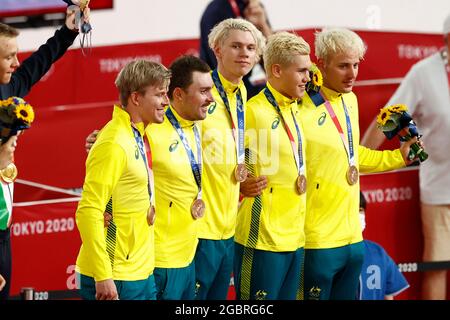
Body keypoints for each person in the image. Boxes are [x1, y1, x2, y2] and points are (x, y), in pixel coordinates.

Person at [300, 27, 419, 300]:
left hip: (352, 239)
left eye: (355, 64)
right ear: (322, 64)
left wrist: (399, 156)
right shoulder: (300, 106)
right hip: (317, 238)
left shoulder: (350, 100)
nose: (352, 73)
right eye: (343, 66)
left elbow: (353, 157)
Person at [361, 13, 450, 300]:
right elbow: (392, 114)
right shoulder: (425, 72)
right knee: (437, 267)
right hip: (440, 192)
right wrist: (362, 159)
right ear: (447, 40)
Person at [0, 6, 85, 300]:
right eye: (9, 56)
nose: (16, 62)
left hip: (3, 229)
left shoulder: (9, 87)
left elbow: (38, 62)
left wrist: (69, 31)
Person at [75, 59, 171, 300]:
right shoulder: (114, 142)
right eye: (160, 94)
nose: (166, 101)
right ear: (136, 98)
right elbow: (88, 211)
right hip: (115, 274)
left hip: (140, 270)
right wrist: (103, 275)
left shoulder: (137, 133)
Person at [234, 31, 311, 300]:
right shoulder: (253, 111)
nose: (307, 78)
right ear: (276, 70)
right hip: (261, 238)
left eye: (308, 71)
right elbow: (213, 152)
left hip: (296, 238)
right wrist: (239, 182)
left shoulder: (298, 109)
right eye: (301, 71)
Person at [195, 18, 265, 300]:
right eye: (235, 46)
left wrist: (243, 180)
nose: (244, 53)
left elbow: (229, 149)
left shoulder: (241, 93)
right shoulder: (198, 90)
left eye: (250, 47)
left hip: (228, 227)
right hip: (199, 227)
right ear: (217, 49)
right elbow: (158, 121)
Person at [200, 0, 272, 98]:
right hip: (217, 86)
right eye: (236, 46)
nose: (246, 53)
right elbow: (222, 67)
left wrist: (263, 25)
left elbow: (274, 63)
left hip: (244, 82)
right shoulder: (216, 10)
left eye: (250, 48)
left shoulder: (255, 7)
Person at [358, 192, 410, 300]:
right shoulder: (331, 255)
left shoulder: (378, 252)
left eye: (360, 210)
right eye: (351, 210)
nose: (357, 215)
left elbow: (388, 295)